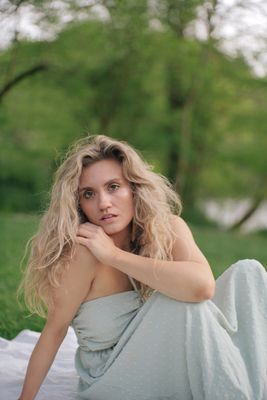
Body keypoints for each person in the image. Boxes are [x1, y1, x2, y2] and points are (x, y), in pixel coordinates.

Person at [18, 134, 267, 400]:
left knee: (248, 272)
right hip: (113, 375)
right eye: (88, 194)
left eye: (113, 187)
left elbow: (203, 285)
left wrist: (113, 255)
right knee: (178, 300)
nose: (103, 203)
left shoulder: (168, 228)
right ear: (78, 203)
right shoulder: (84, 252)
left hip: (165, 358)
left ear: (134, 188)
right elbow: (54, 330)